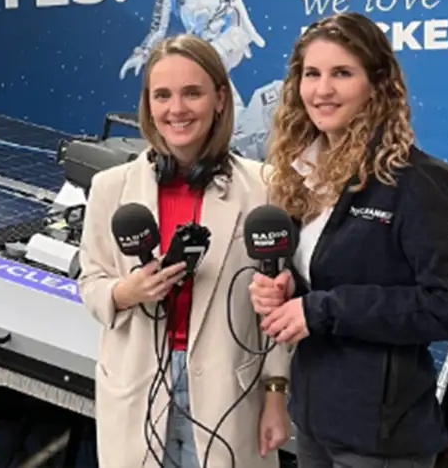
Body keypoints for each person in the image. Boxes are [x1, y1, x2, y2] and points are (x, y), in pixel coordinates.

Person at [249, 11, 448, 468]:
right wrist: (290, 290)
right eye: (311, 74)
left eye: (342, 73)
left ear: (376, 84)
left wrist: (322, 309)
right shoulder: (305, 177)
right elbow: (328, 278)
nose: (322, 90)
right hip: (315, 425)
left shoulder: (418, 183)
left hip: (383, 440)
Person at [78, 33, 293, 468]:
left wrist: (276, 393)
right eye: (162, 95)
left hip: (228, 394)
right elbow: (91, 285)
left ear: (219, 98)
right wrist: (127, 292)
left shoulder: (265, 187)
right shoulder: (109, 189)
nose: (176, 109)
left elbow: (275, 308)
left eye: (192, 93)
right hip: (135, 390)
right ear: (148, 105)